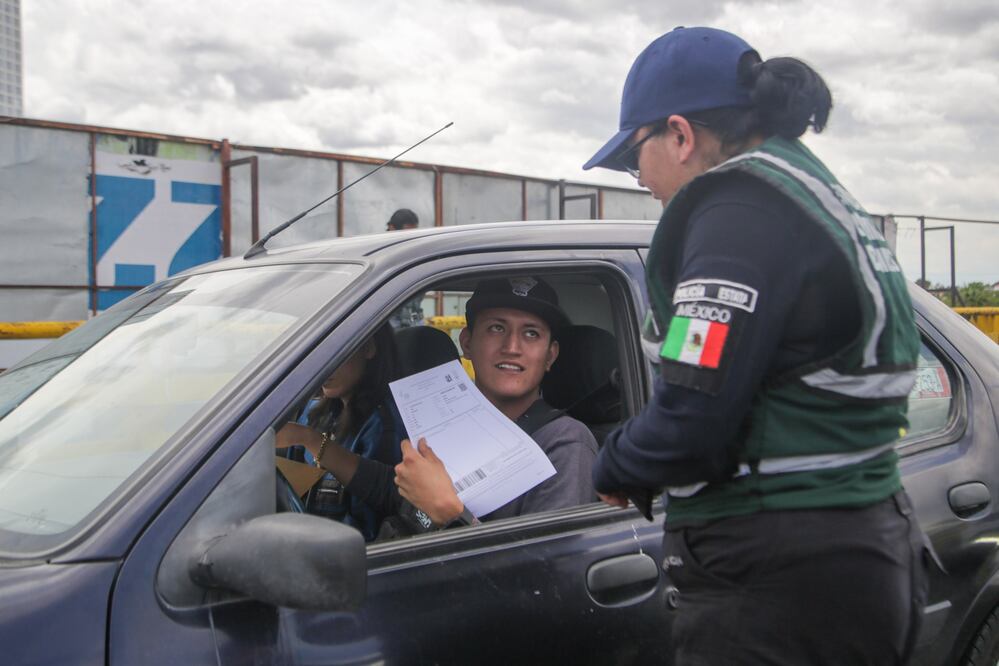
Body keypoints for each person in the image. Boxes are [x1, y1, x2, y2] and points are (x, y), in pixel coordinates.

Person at [582, 27, 928, 665]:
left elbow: (691, 414)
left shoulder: (739, 208)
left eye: (635, 160)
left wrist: (614, 463)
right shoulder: (811, 189)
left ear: (680, 135)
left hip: (779, 578)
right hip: (855, 544)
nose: (644, 182)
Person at [393, 277, 599, 527]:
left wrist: (451, 516)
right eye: (497, 328)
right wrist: (330, 449)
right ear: (467, 343)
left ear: (550, 355)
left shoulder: (565, 442)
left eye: (531, 333)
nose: (512, 347)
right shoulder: (444, 426)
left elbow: (548, 562)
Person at [276, 323, 405, 542]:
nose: (325, 364)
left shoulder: (384, 425)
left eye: (336, 351)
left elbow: (371, 523)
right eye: (319, 352)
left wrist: (310, 440)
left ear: (369, 349)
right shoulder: (315, 413)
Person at [386, 208, 426, 328]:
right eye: (407, 233)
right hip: (388, 322)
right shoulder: (381, 256)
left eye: (414, 233)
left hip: (415, 321)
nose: (411, 238)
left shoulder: (417, 252)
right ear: (392, 228)